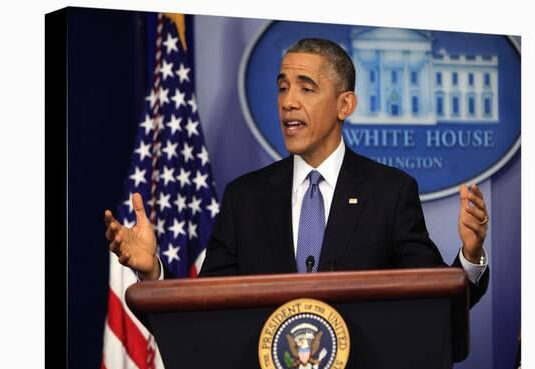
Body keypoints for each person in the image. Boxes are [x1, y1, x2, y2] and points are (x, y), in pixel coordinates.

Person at [105, 38, 489, 306]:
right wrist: (153, 272)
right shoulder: (245, 198)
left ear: (345, 104)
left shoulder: (390, 192)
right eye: (282, 87)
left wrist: (470, 255)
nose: (288, 102)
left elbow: (435, 299)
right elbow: (207, 306)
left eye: (306, 89)